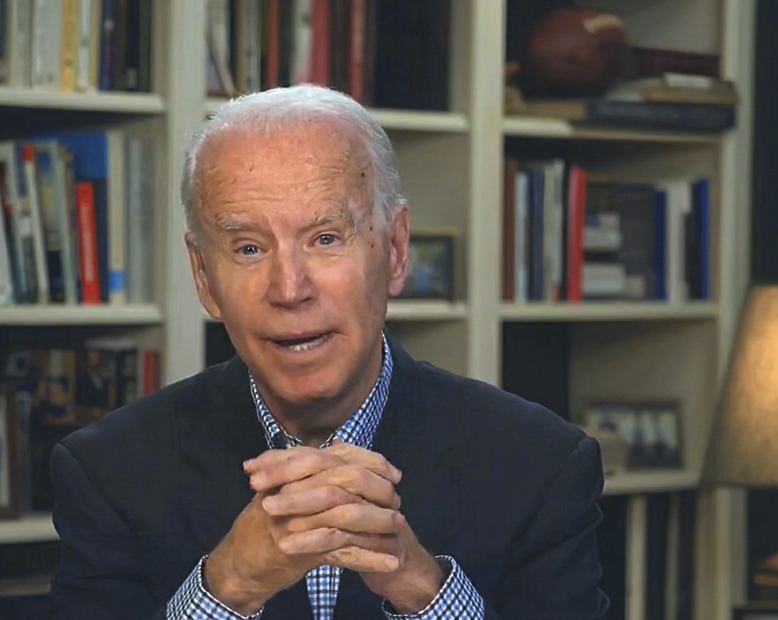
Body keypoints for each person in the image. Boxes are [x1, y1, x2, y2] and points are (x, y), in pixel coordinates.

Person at [49, 84, 609, 619]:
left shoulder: (540, 466)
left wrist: (419, 586)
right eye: (248, 247)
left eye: (325, 238)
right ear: (203, 275)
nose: (289, 288)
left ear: (393, 250)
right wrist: (229, 586)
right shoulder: (108, 473)